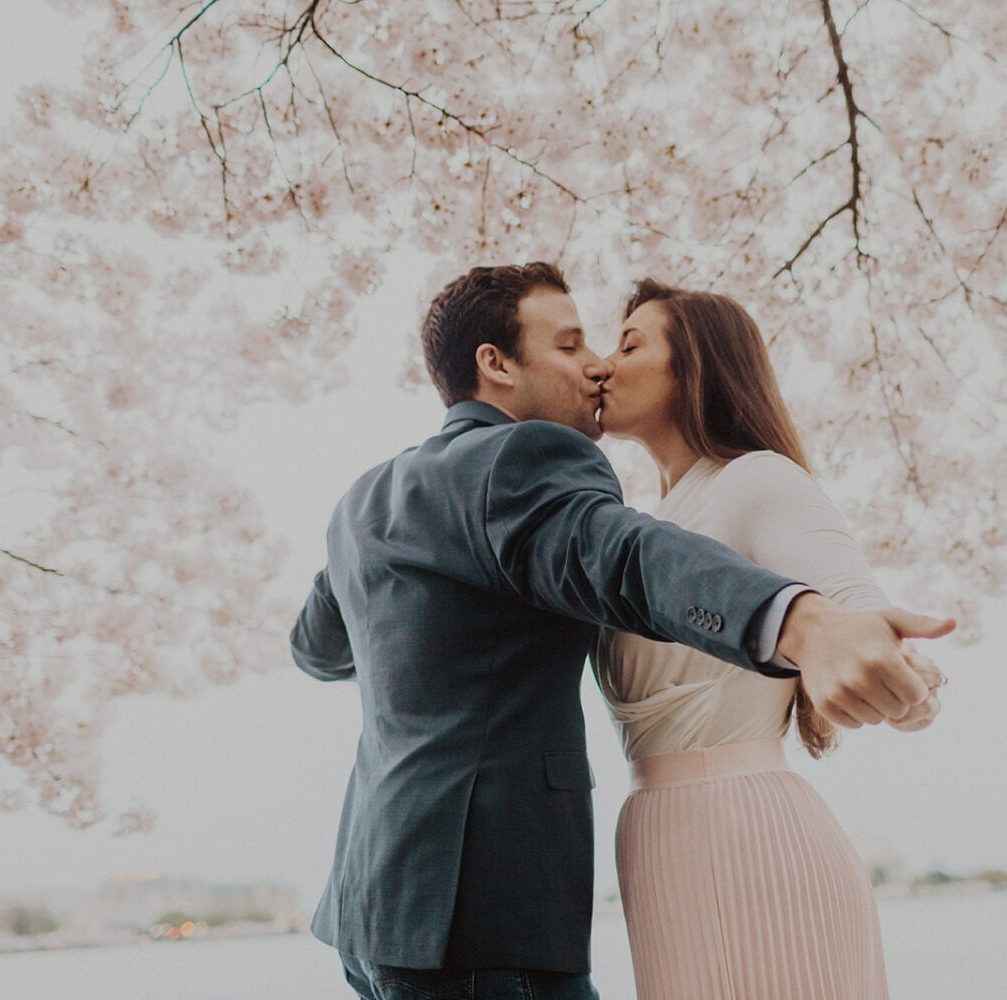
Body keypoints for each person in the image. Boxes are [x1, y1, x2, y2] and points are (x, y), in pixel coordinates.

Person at [290, 262, 953, 1000]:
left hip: (373, 916)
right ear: (497, 364)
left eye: (611, 345)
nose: (596, 364)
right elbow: (625, 558)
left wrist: (846, 633)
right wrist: (794, 617)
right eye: (570, 345)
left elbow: (316, 649)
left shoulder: (364, 502)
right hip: (483, 918)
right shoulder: (523, 458)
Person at [594, 278, 947, 999]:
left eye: (629, 345)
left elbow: (850, 602)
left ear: (693, 367)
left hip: (749, 836)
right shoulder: (641, 533)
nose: (602, 365)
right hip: (659, 841)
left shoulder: (756, 479)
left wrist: (899, 675)